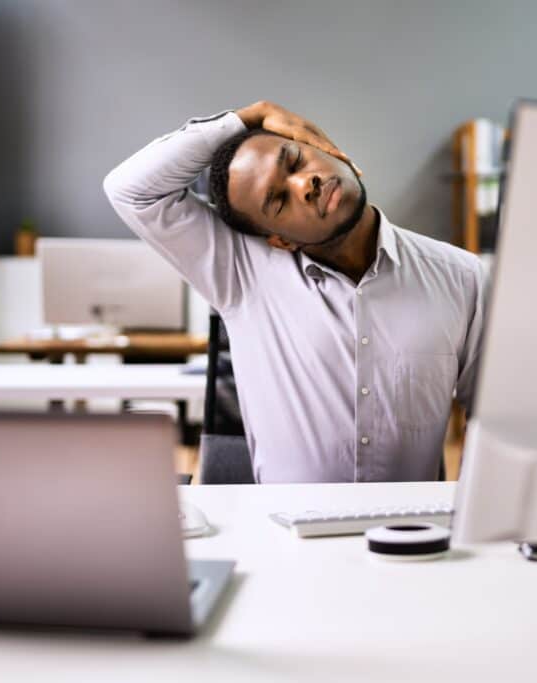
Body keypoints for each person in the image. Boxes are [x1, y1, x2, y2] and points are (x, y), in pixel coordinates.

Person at [103, 101, 484, 483]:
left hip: (412, 535)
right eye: (279, 199)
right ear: (279, 240)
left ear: (320, 144)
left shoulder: (463, 277)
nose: (306, 183)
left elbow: (492, 423)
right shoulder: (240, 271)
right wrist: (249, 116)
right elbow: (130, 189)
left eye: (296, 159)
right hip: (286, 535)